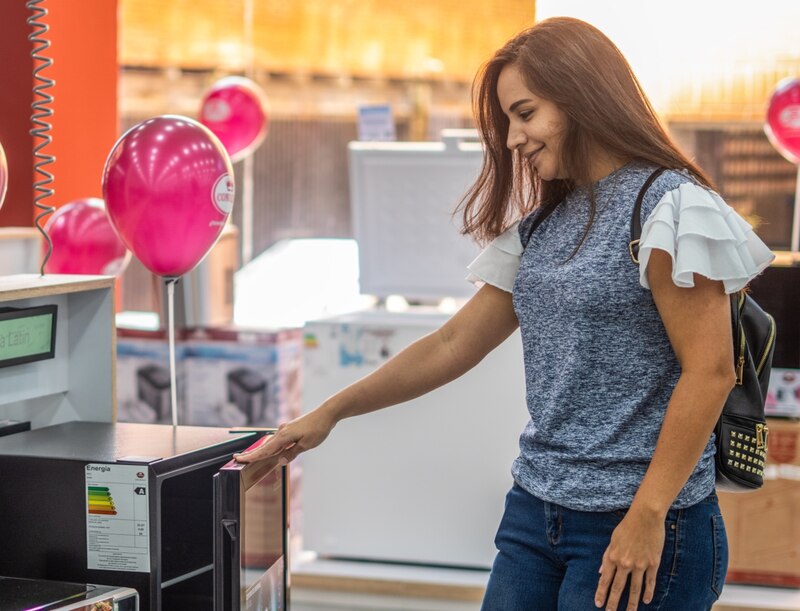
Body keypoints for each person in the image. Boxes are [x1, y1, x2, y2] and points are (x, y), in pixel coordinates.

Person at [235, 16, 774, 611]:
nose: (513, 138)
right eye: (508, 121)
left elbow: (710, 371)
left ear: (579, 97)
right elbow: (450, 345)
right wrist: (326, 415)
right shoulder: (543, 226)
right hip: (537, 514)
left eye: (525, 113)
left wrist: (648, 514)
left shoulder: (670, 207)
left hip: (642, 520)